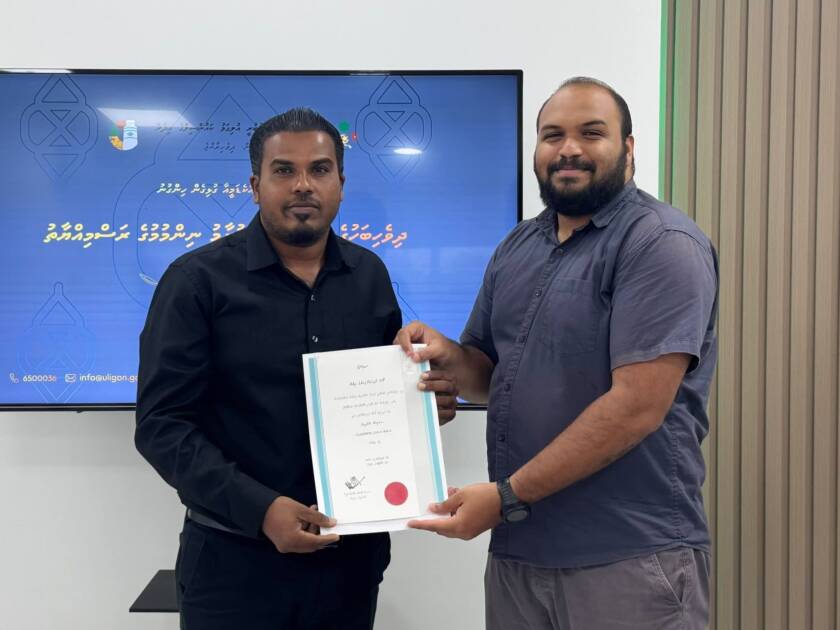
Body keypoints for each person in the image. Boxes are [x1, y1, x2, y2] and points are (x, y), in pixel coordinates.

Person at [398, 77, 718, 630]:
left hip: (628, 558)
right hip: (521, 555)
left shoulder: (660, 244)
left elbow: (637, 408)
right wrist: (446, 356)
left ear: (629, 148)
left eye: (591, 133)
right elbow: (489, 374)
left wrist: (505, 497)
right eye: (552, 135)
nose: (568, 149)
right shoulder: (518, 246)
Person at [135, 107, 456, 630]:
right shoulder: (196, 281)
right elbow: (161, 426)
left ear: (341, 184)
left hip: (349, 563)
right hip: (233, 566)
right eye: (284, 170)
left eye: (320, 169)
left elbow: (380, 400)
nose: (303, 184)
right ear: (255, 186)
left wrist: (422, 406)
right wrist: (260, 509)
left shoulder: (368, 276)